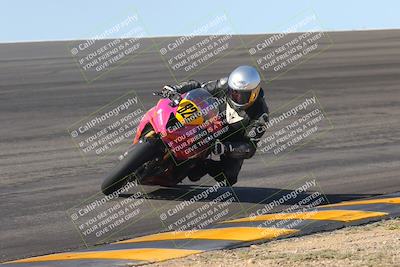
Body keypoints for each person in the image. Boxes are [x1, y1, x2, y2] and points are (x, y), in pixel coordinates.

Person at [163, 65, 269, 185]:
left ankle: (204, 164)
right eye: (233, 92)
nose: (236, 96)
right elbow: (199, 87)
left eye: (242, 95)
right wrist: (176, 88)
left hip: (230, 140)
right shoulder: (224, 83)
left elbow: (250, 147)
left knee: (229, 177)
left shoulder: (260, 115)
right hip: (210, 122)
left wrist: (227, 147)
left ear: (254, 93)